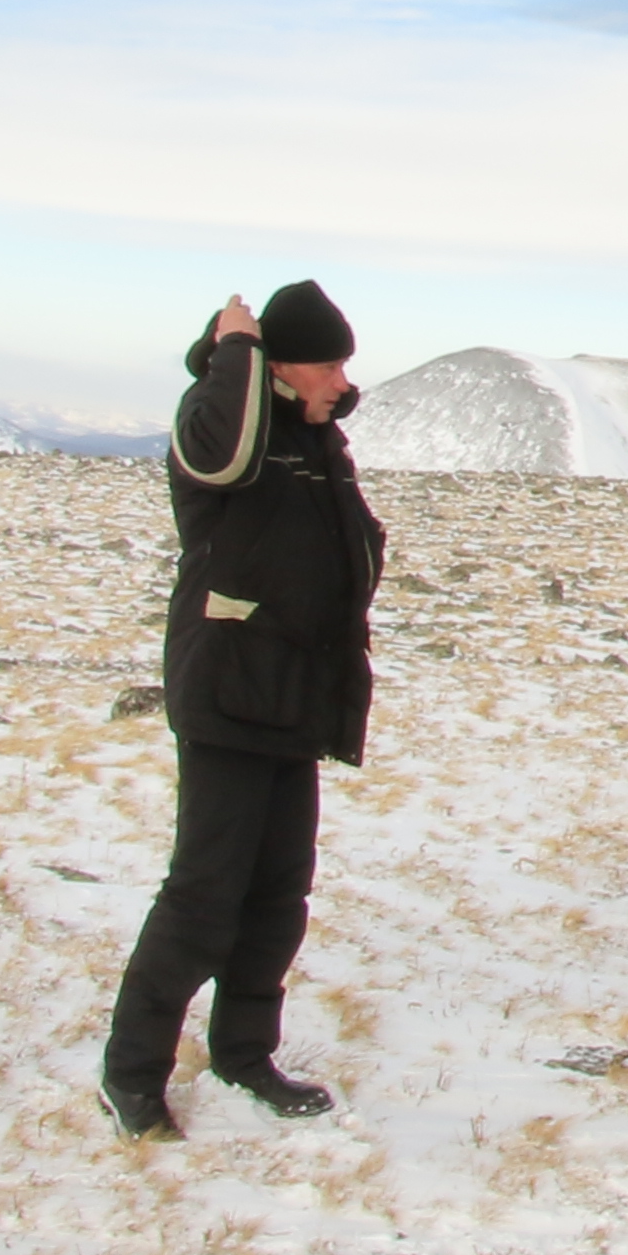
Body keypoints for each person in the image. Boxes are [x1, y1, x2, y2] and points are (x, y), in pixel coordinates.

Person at [104, 281, 385, 1139]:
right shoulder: (217, 421)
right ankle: (133, 1072)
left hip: (297, 692)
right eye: (328, 361)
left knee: (278, 892)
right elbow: (222, 461)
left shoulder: (315, 439)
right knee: (203, 893)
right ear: (279, 363)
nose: (342, 378)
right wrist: (236, 349)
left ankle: (243, 1051)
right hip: (229, 692)